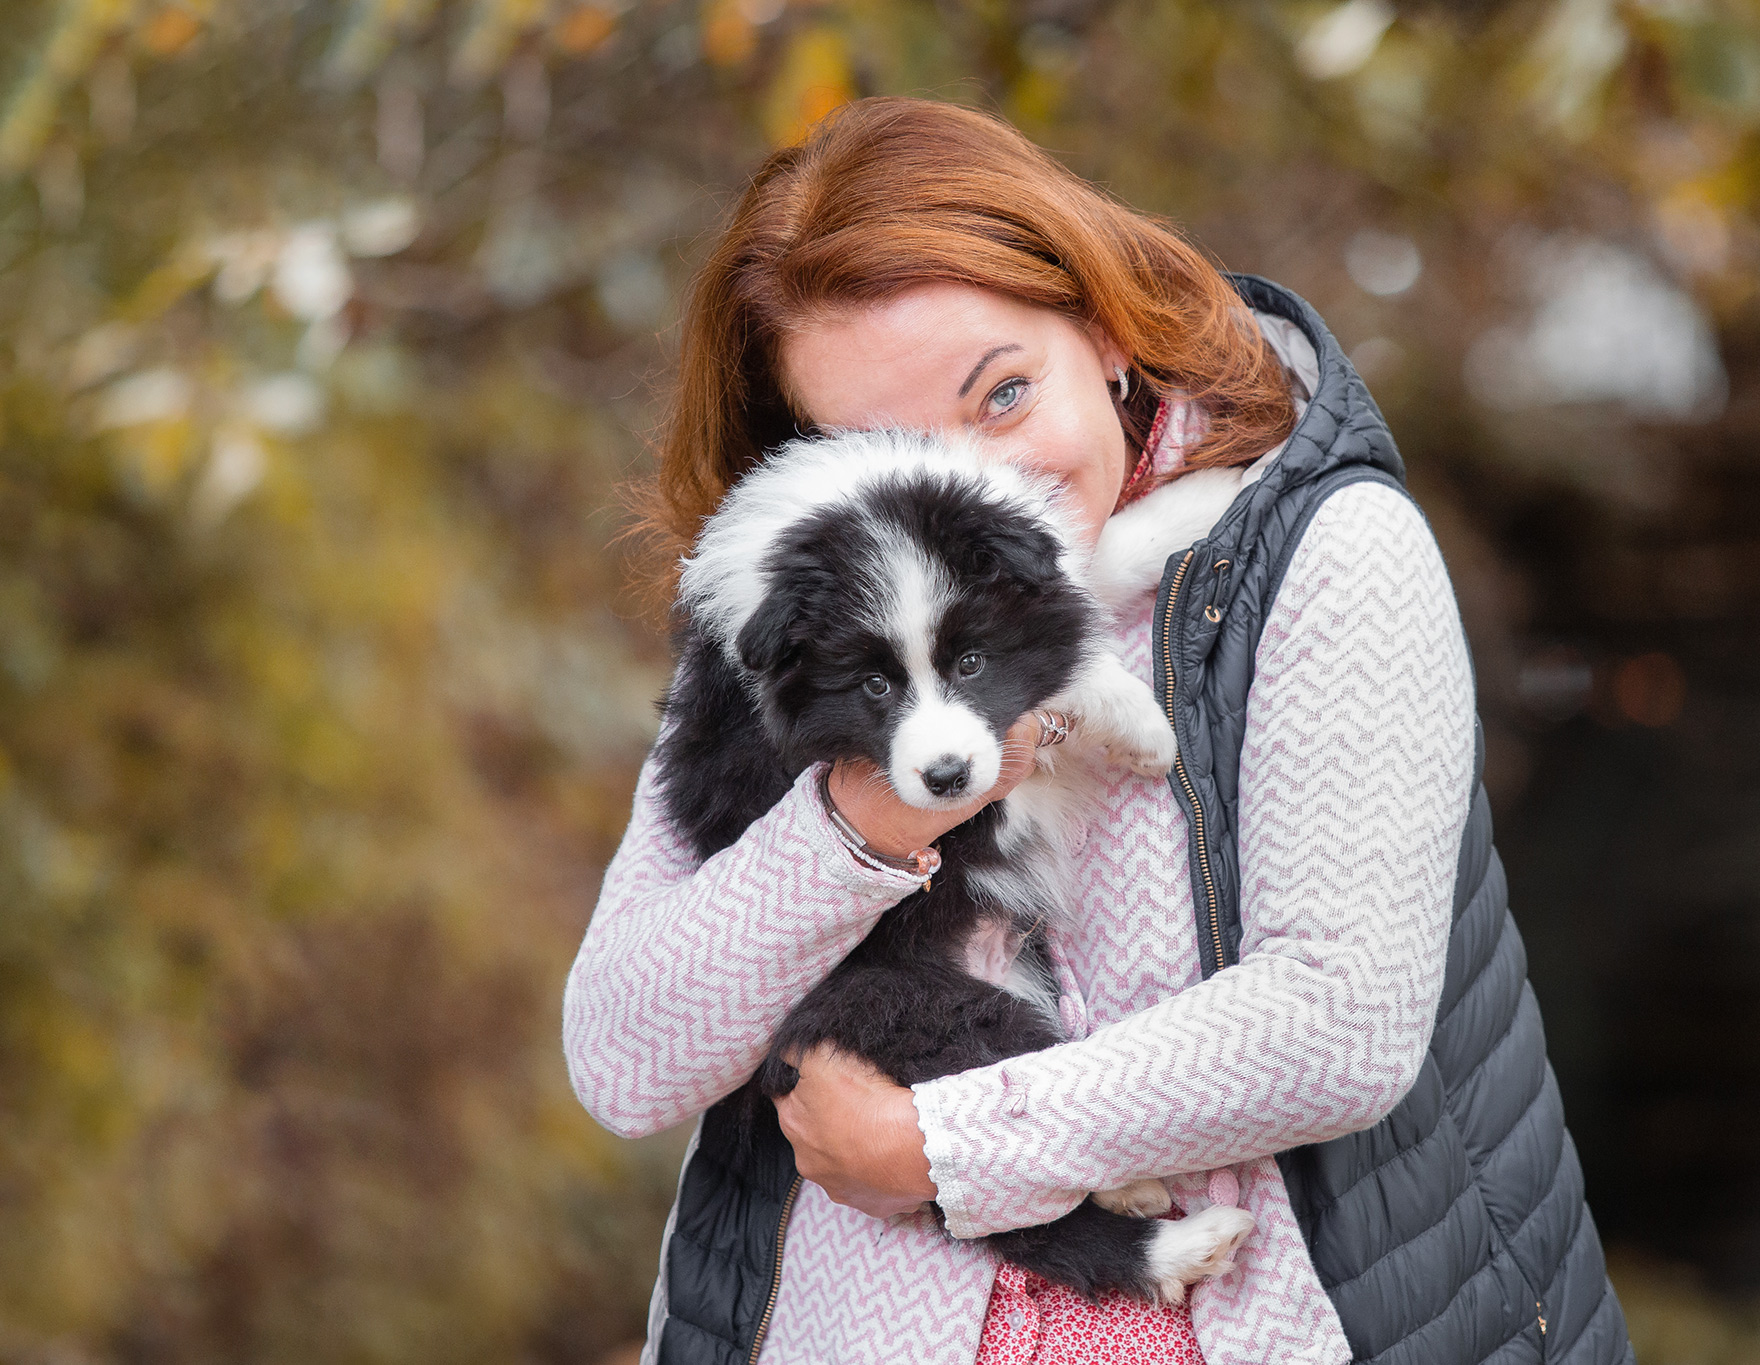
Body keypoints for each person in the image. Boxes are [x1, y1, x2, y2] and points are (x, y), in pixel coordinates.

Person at [563, 96, 1634, 1365]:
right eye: (890, 447)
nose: (975, 481)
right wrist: (858, 828)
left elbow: (1338, 1021)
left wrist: (943, 1146)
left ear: (1105, 328)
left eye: (1002, 394)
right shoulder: (806, 614)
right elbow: (623, 1061)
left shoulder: (1322, 554)